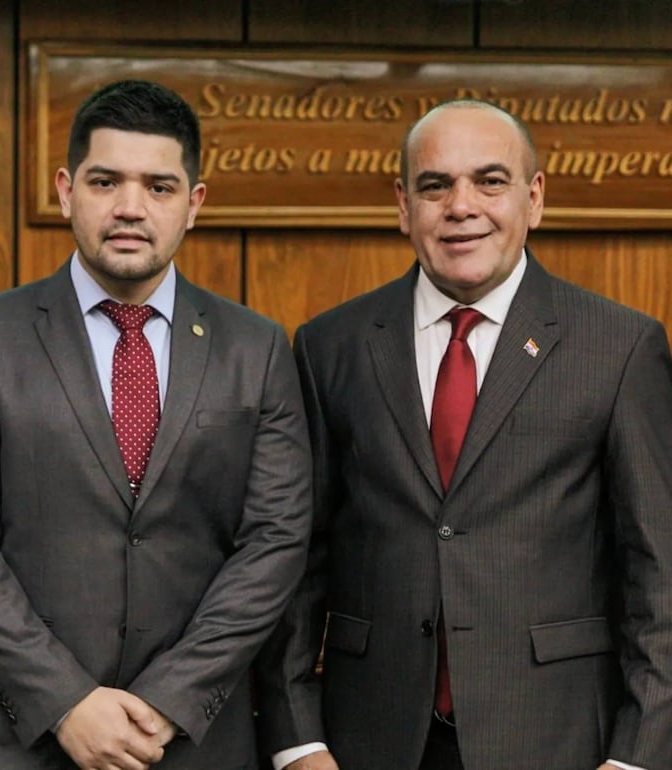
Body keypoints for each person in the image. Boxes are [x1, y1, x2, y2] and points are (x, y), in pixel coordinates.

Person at [254, 99, 672, 770]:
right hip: (367, 741)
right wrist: (299, 741)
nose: (461, 205)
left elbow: (660, 574)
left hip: (560, 741)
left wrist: (637, 757)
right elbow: (293, 558)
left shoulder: (619, 348)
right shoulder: (331, 346)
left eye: (490, 180)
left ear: (533, 198)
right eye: (435, 185)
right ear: (402, 204)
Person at [0, 79, 312, 770]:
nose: (130, 207)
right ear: (68, 191)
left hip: (190, 744)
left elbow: (273, 545)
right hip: (17, 741)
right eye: (106, 181)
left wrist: (168, 700)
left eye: (159, 187)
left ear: (195, 204)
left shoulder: (258, 348)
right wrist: (66, 700)